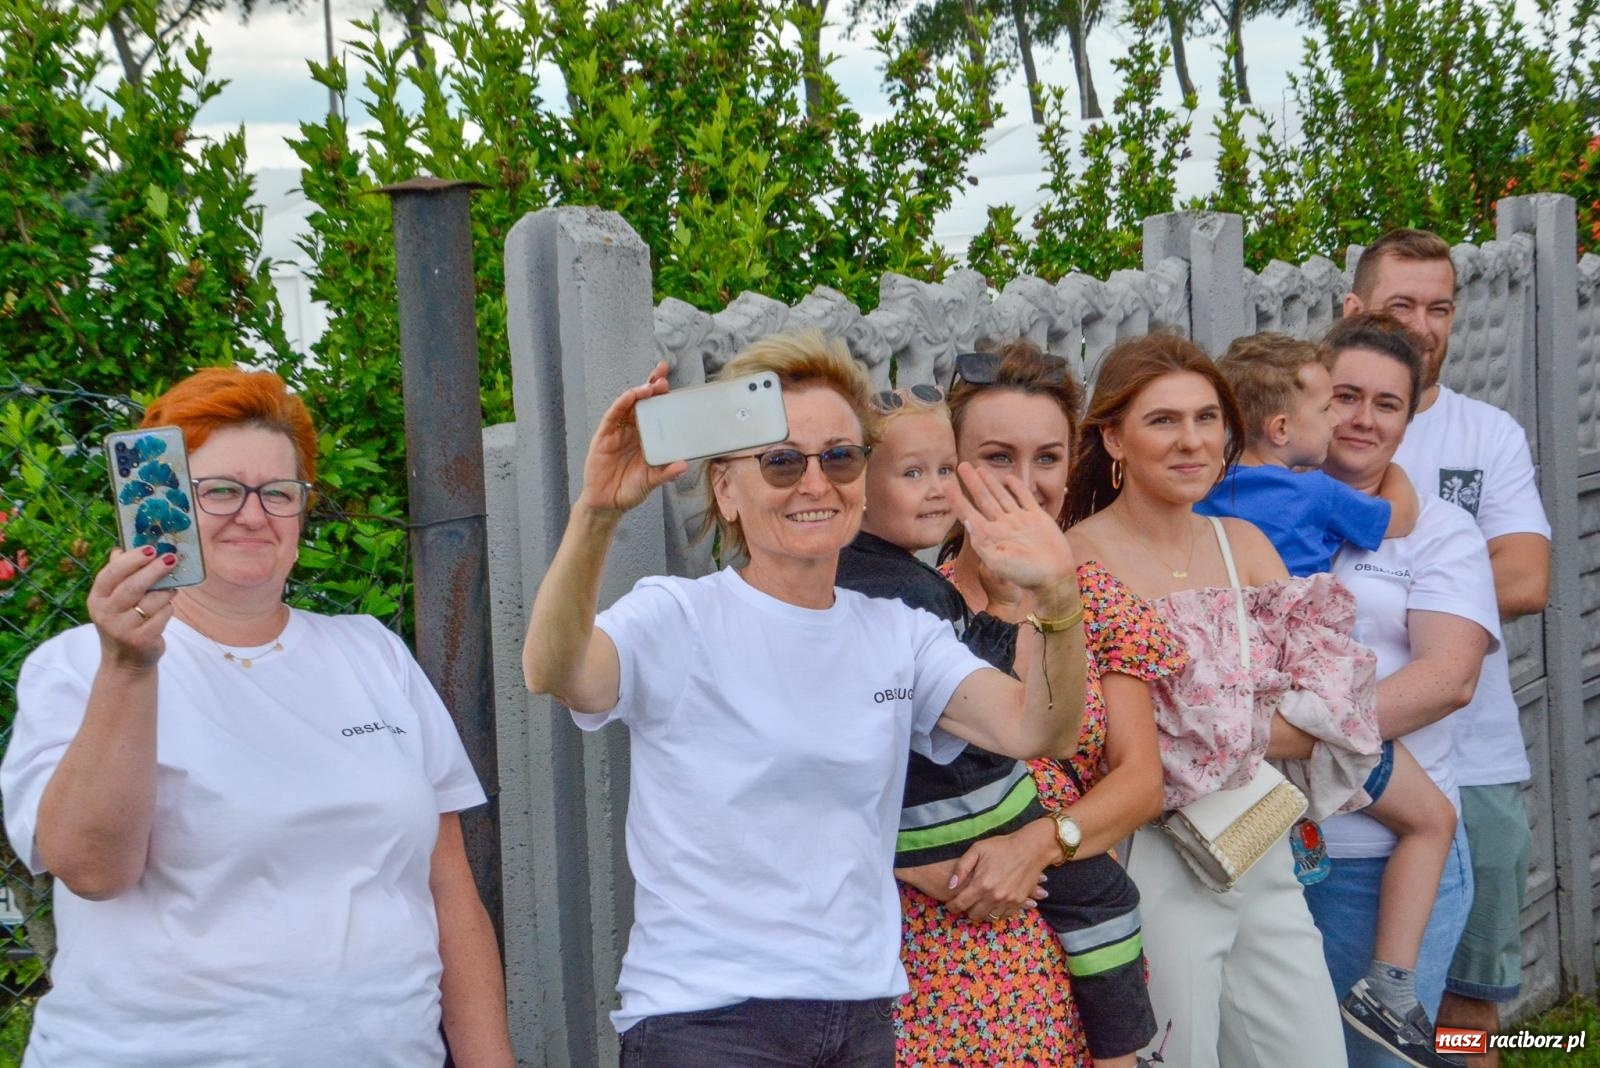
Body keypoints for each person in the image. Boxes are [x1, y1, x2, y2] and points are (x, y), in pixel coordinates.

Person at [520, 331, 1089, 1066]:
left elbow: (1037, 729)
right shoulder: (678, 616)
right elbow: (556, 670)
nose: (816, 484)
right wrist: (597, 513)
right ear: (727, 489)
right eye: (782, 462)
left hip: (859, 1017)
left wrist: (1057, 596)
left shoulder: (899, 631)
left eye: (841, 458)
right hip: (706, 1023)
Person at [0, 368, 514, 1068]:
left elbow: (449, 891)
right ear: (161, 507)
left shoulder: (372, 653)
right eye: (219, 491)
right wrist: (130, 666)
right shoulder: (77, 666)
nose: (252, 515)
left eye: (278, 492)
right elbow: (93, 870)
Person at [833, 356, 1178, 1068]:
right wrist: (905, 855)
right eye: (996, 457)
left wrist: (1035, 848)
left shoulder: (1092, 599)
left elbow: (1142, 782)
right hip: (922, 952)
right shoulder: (899, 598)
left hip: (1055, 936)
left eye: (1047, 457)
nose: (1024, 481)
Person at [1062, 332, 1360, 1068]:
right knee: (1177, 1054)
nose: (1191, 440)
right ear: (1114, 438)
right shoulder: (1073, 560)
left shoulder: (1244, 544)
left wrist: (1191, 723)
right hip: (1146, 852)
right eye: (1163, 420)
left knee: (1312, 1055)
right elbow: (1080, 734)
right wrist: (1251, 713)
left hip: (1255, 839)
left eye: (1206, 418)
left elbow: (1333, 707)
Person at [1197, 332, 1466, 1067]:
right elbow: (1396, 519)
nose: (1344, 422)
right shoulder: (1311, 491)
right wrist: (1398, 475)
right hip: (1313, 691)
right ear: (1284, 426)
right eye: (1331, 406)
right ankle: (1391, 988)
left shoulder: (1205, 493)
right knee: (1434, 819)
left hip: (1241, 690)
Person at [1345, 230, 1552, 1064]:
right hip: (1354, 770)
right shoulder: (1320, 431)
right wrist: (1442, 594)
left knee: (1466, 1008)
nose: (1423, 326)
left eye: (1440, 308)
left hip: (1481, 759)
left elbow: (1528, 576)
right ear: (1353, 310)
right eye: (1401, 305)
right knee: (1348, 1010)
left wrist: (1409, 587)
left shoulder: (1488, 432)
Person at [1305, 312, 1502, 1068]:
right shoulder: (1261, 507)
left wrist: (1292, 738)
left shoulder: (1440, 530)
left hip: (1376, 863)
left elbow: (1448, 679)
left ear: (1409, 416)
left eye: (1386, 403)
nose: (1363, 418)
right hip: (1265, 850)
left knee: (1380, 1058)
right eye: (1345, 397)